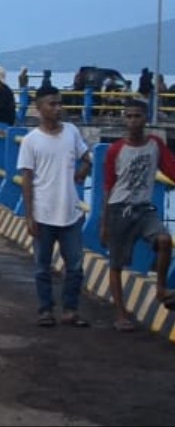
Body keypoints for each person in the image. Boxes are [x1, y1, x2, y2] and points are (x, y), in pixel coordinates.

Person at [17, 84, 92, 328]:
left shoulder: (71, 132)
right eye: (52, 104)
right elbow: (27, 180)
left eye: (60, 103)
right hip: (43, 212)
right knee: (42, 267)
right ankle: (45, 309)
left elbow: (87, 157)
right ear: (39, 108)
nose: (58, 108)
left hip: (70, 211)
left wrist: (83, 169)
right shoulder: (31, 141)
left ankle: (70, 309)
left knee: (75, 266)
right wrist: (29, 216)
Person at [101, 99, 175, 331]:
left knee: (164, 240)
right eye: (129, 116)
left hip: (144, 209)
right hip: (119, 209)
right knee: (116, 263)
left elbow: (171, 169)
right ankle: (120, 313)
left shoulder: (155, 145)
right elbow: (108, 186)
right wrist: (104, 223)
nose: (133, 121)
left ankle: (161, 288)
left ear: (145, 118)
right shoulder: (116, 150)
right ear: (124, 119)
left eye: (137, 116)